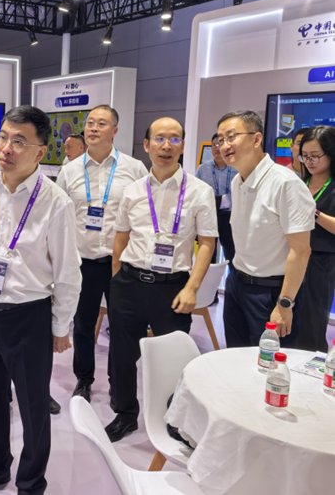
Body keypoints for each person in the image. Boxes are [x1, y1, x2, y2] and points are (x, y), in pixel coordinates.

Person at [0, 106, 81, 495]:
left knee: (33, 405)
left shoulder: (56, 202)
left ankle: (31, 483)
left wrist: (60, 326)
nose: (6, 148)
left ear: (40, 152)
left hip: (29, 317)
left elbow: (67, 272)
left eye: (19, 141)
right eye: (3, 137)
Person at [106, 117, 218, 442]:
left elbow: (207, 243)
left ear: (183, 145)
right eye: (159, 139)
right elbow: (121, 237)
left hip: (173, 288)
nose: (166, 146)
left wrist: (192, 288)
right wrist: (116, 280)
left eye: (174, 139)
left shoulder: (200, 191)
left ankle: (173, 418)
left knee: (173, 357)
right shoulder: (132, 190)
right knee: (121, 355)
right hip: (129, 283)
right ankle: (125, 414)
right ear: (146, 145)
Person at [56, 105, 147, 404]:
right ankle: (84, 379)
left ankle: (117, 382)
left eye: (102, 123)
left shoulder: (134, 168)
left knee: (121, 326)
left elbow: (144, 214)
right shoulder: (69, 171)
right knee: (83, 324)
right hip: (82, 262)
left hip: (120, 262)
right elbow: (59, 218)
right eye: (90, 123)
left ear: (115, 130)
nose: (94, 128)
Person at [218, 110, 314, 348]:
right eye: (220, 140)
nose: (225, 145)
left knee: (268, 363)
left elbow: (301, 251)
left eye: (231, 136)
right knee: (235, 356)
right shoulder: (237, 181)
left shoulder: (286, 183)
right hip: (237, 285)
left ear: (256, 139)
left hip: (272, 293)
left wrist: (285, 303)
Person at [295, 126, 335, 352]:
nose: (309, 161)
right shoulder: (299, 184)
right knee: (289, 318)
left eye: (315, 156)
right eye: (305, 156)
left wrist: (314, 212)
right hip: (292, 256)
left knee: (312, 322)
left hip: (321, 262)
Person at [195, 132, 238, 262]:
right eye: (215, 144)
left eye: (221, 144)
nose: (217, 147)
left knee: (232, 253)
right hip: (208, 215)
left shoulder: (237, 168)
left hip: (230, 216)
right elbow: (196, 193)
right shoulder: (202, 169)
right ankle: (208, 275)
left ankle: (233, 275)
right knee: (207, 253)